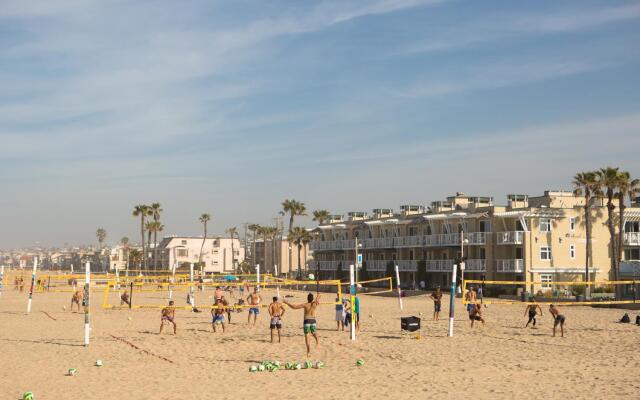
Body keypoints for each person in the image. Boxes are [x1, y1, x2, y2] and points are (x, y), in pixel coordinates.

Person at [284, 293, 321, 358]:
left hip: (307, 320)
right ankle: (317, 342)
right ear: (312, 298)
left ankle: (308, 351)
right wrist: (318, 296)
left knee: (307, 336)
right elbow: (319, 296)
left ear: (307, 298)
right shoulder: (314, 304)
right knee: (314, 332)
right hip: (313, 320)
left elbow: (294, 307)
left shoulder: (305, 304)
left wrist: (287, 302)